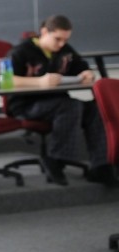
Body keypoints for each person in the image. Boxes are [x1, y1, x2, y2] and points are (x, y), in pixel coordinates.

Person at [7, 14, 117, 186]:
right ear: (44, 32)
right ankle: (56, 160)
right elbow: (4, 81)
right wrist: (39, 82)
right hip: (27, 105)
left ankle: (100, 166)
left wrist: (87, 74)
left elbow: (82, 67)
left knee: (95, 109)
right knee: (70, 106)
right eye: (57, 39)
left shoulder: (65, 50)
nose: (61, 44)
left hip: (57, 102)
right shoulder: (20, 51)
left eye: (65, 40)